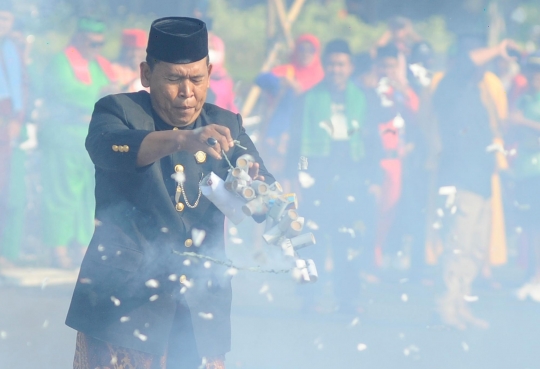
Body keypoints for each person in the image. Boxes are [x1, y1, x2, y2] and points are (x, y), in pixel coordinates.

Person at [65, 17, 273, 369]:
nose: (187, 92)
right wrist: (182, 138)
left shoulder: (227, 124)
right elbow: (107, 148)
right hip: (126, 303)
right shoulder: (117, 111)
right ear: (147, 74)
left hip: (199, 307)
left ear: (209, 72)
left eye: (197, 78)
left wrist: (253, 187)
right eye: (174, 79)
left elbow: (266, 197)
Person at [288, 39, 382, 313]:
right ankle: (310, 298)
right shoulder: (307, 99)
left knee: (349, 239)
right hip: (316, 177)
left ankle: (347, 299)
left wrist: (373, 179)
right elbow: (299, 145)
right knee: (311, 240)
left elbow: (373, 142)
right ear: (324, 66)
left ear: (350, 67)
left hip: (352, 177)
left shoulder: (365, 98)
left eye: (341, 64)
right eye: (331, 64)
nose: (336, 69)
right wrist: (300, 175)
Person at [432, 36, 515, 329]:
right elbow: (466, 63)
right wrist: (498, 47)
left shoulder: (479, 93)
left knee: (475, 249)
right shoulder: (449, 87)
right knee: (458, 246)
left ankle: (460, 304)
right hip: (459, 180)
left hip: (481, 180)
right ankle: (446, 307)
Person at [38, 18, 116, 268]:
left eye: (101, 44)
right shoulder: (62, 62)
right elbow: (64, 91)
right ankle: (57, 247)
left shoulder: (97, 65)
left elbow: (113, 87)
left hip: (89, 141)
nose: (97, 49)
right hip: (63, 138)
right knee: (62, 194)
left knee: (87, 197)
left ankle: (81, 245)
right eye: (93, 43)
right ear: (79, 38)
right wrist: (98, 93)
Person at [370, 44, 419, 268]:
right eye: (383, 66)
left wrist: (402, 87)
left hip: (395, 160)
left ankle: (379, 251)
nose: (387, 71)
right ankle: (372, 254)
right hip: (373, 157)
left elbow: (417, 112)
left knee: (390, 208)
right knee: (372, 207)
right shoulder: (368, 88)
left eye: (392, 66)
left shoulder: (400, 92)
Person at [256, 34, 324, 175]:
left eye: (310, 49)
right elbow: (260, 79)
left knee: (302, 173)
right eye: (301, 49)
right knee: (277, 174)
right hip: (281, 134)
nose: (305, 53)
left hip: (308, 134)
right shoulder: (288, 70)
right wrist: (284, 82)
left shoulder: (321, 76)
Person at [509, 53, 540, 302]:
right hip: (525, 169)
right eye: (530, 71)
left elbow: (521, 123)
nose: (533, 76)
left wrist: (526, 123)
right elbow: (511, 123)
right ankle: (531, 275)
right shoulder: (523, 99)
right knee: (529, 226)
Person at [0, 2, 24, 267]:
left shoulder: (11, 48)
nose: (3, 25)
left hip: (8, 125)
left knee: (6, 189)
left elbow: (21, 84)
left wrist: (17, 118)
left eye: (7, 20)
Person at [207, 33, 238, 113]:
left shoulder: (226, 80)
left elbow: (233, 109)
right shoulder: (195, 80)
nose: (211, 53)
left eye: (212, 48)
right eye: (208, 48)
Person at [112, 28, 148, 93]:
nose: (135, 54)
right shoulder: (114, 69)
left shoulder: (149, 70)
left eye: (139, 49)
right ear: (124, 50)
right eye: (131, 50)